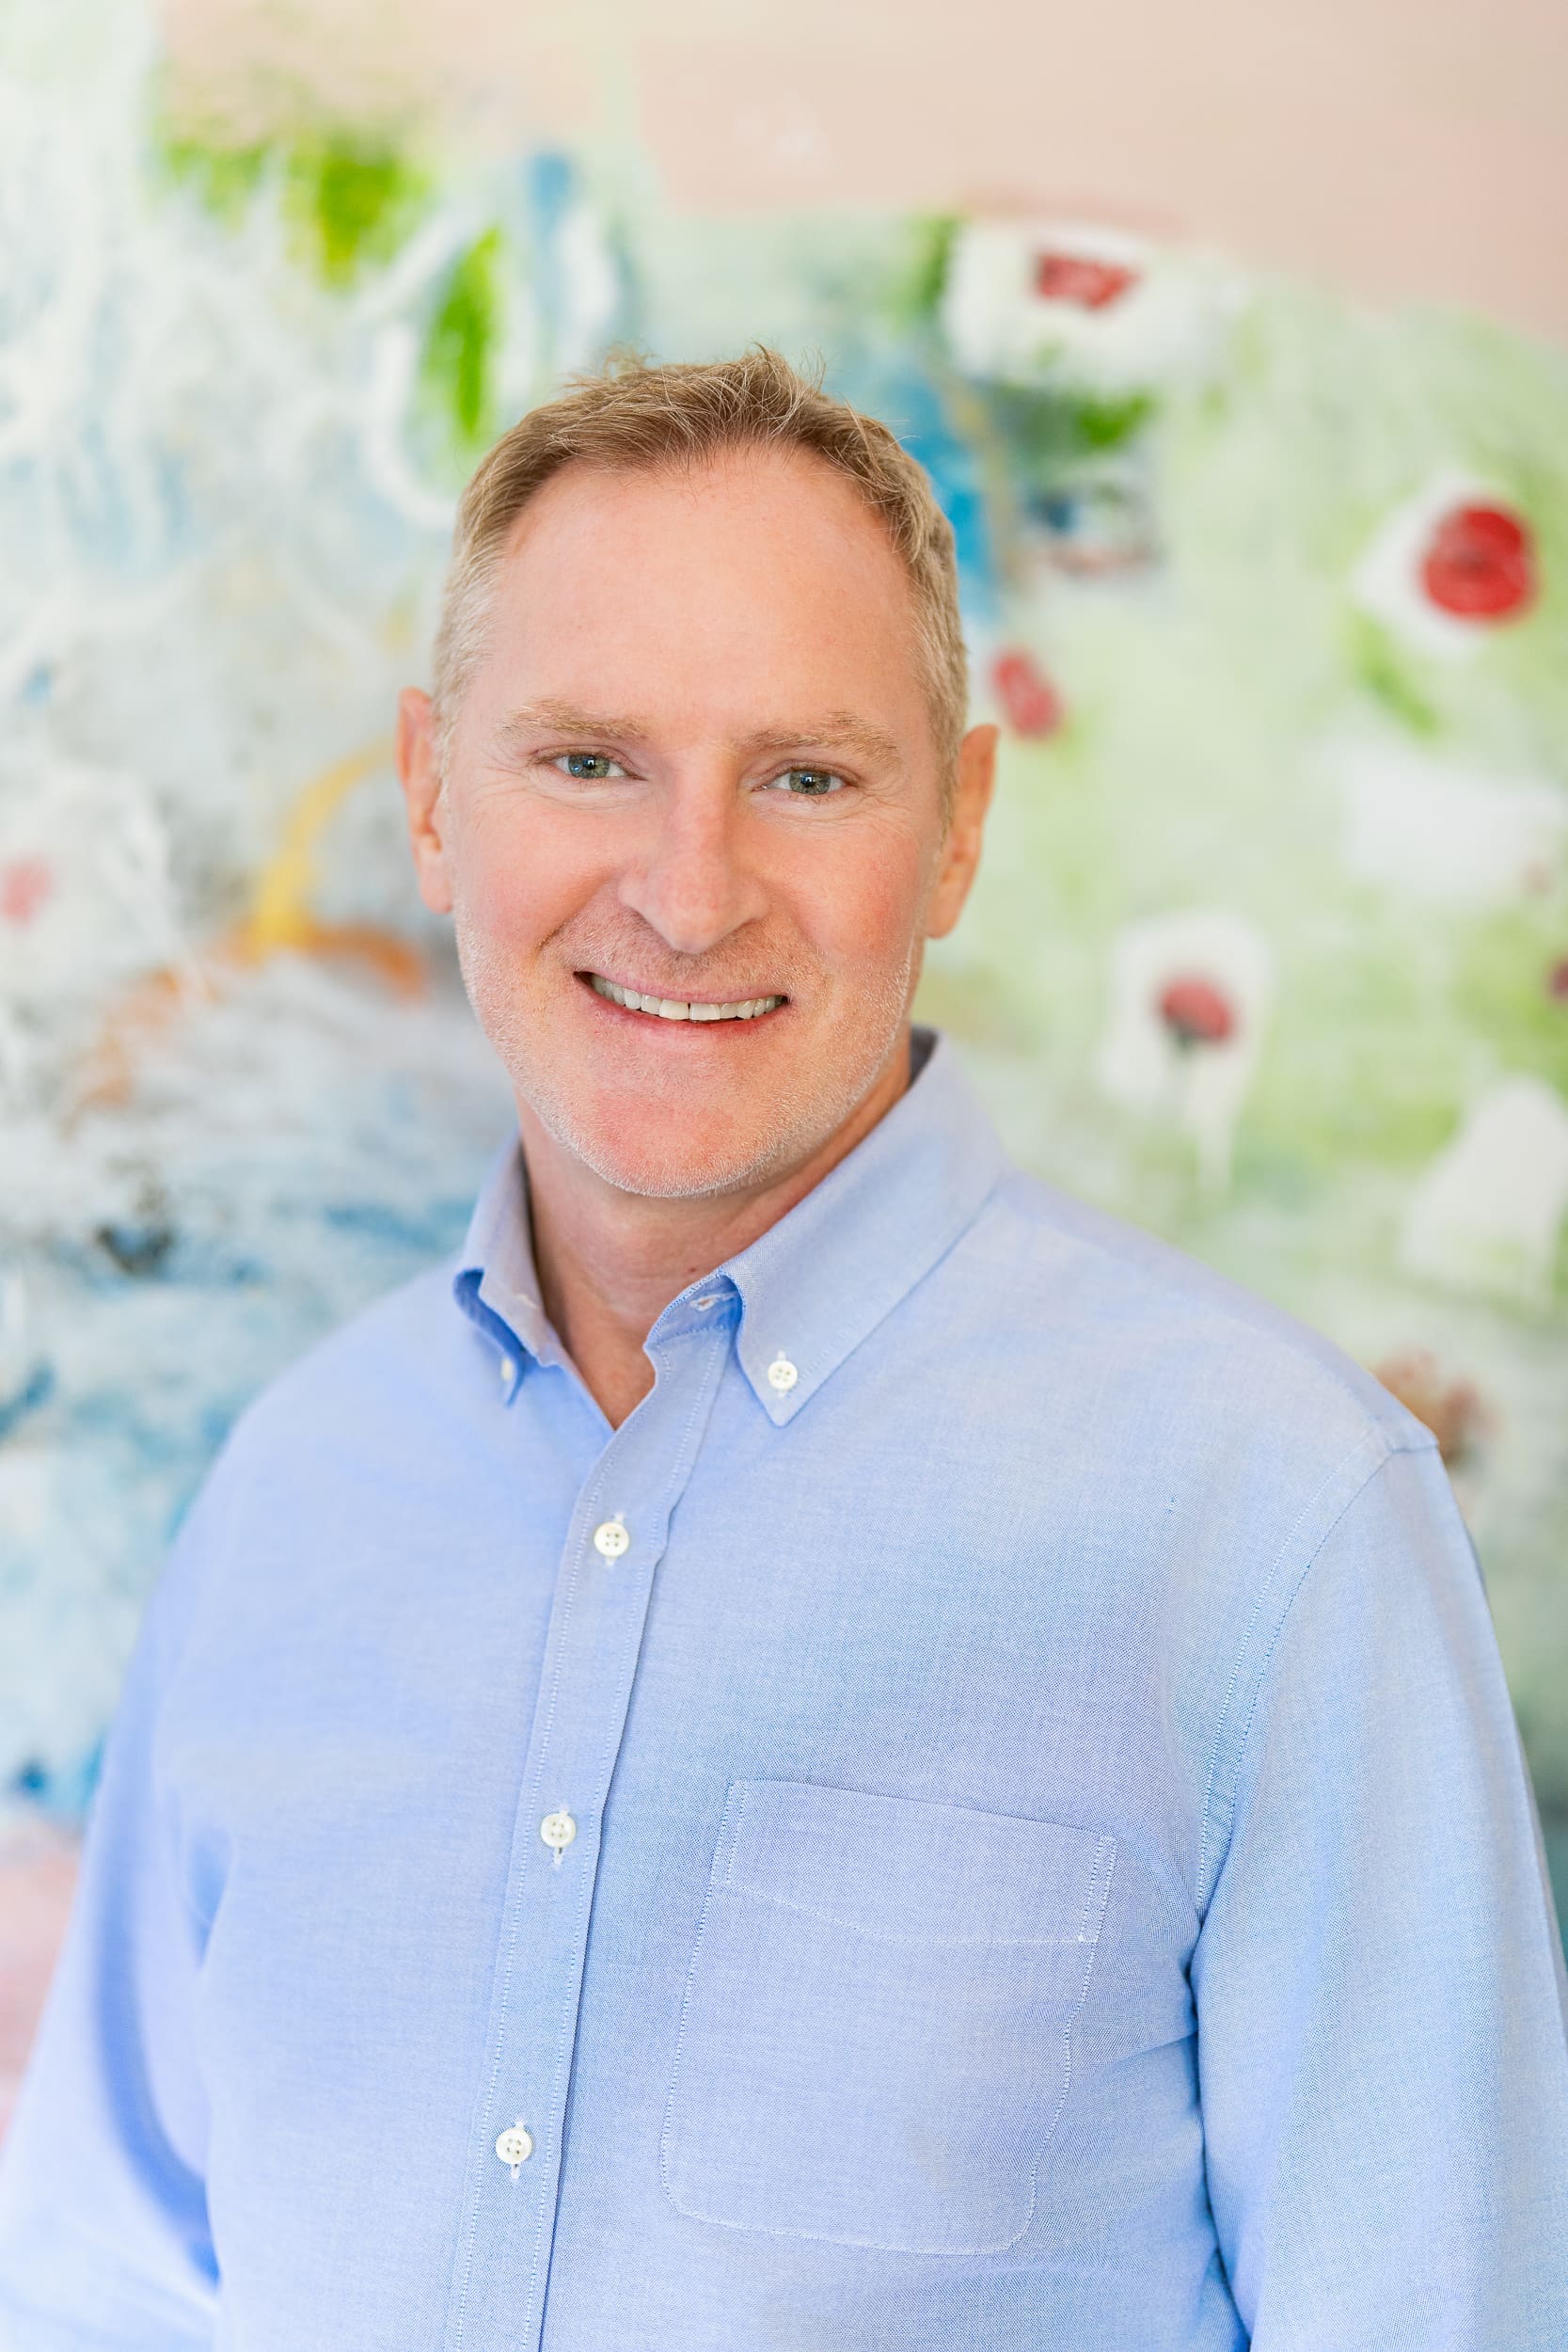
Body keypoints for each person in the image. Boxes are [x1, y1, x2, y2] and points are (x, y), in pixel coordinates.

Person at [1, 349, 1564, 2352]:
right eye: (587, 760)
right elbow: (105, 2292)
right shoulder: (293, 1494)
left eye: (805, 775)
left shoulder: (1273, 1526)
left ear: (964, 826)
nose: (686, 888)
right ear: (428, 794)